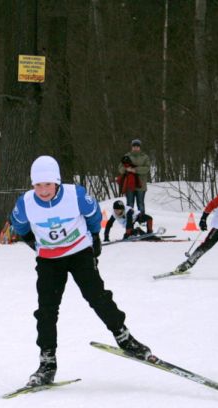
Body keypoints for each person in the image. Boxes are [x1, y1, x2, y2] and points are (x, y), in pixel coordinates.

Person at [11, 155, 153, 386]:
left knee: (97, 297)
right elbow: (19, 225)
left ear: (57, 182)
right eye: (38, 185)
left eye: (47, 184)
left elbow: (93, 215)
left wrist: (95, 236)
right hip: (49, 260)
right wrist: (32, 242)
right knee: (47, 310)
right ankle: (47, 362)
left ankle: (124, 337)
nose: (43, 190)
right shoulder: (25, 202)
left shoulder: (74, 194)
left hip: (79, 253)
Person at [118, 139, 149, 213]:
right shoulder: (126, 156)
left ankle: (141, 221)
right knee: (129, 204)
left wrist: (135, 170)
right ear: (132, 147)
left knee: (140, 204)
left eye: (137, 146)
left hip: (141, 185)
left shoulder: (145, 157)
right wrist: (126, 169)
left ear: (140, 147)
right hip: (129, 184)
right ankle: (129, 220)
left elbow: (147, 168)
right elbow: (120, 168)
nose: (136, 148)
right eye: (134, 146)